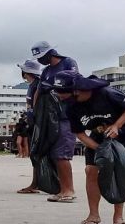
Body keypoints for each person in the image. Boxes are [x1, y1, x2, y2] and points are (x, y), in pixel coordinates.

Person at [51, 71, 125, 224]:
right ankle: (94, 216)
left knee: (119, 173)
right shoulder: (70, 106)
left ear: (77, 90)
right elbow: (79, 133)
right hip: (99, 136)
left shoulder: (105, 93)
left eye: (62, 93)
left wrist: (117, 125)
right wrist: (99, 149)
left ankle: (118, 216)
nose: (59, 96)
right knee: (90, 170)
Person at [30, 41, 78, 202]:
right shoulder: (46, 71)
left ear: (50, 53)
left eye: (41, 57)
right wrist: (34, 111)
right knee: (53, 154)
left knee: (62, 154)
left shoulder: (68, 63)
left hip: (66, 116)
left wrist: (56, 91)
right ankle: (61, 189)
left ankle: (69, 190)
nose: (39, 60)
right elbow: (38, 91)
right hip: (50, 117)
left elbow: (74, 83)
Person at [16, 59, 43, 194]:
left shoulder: (38, 85)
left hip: (38, 123)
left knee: (37, 153)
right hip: (32, 122)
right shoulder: (32, 85)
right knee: (34, 154)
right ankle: (36, 183)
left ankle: (37, 183)